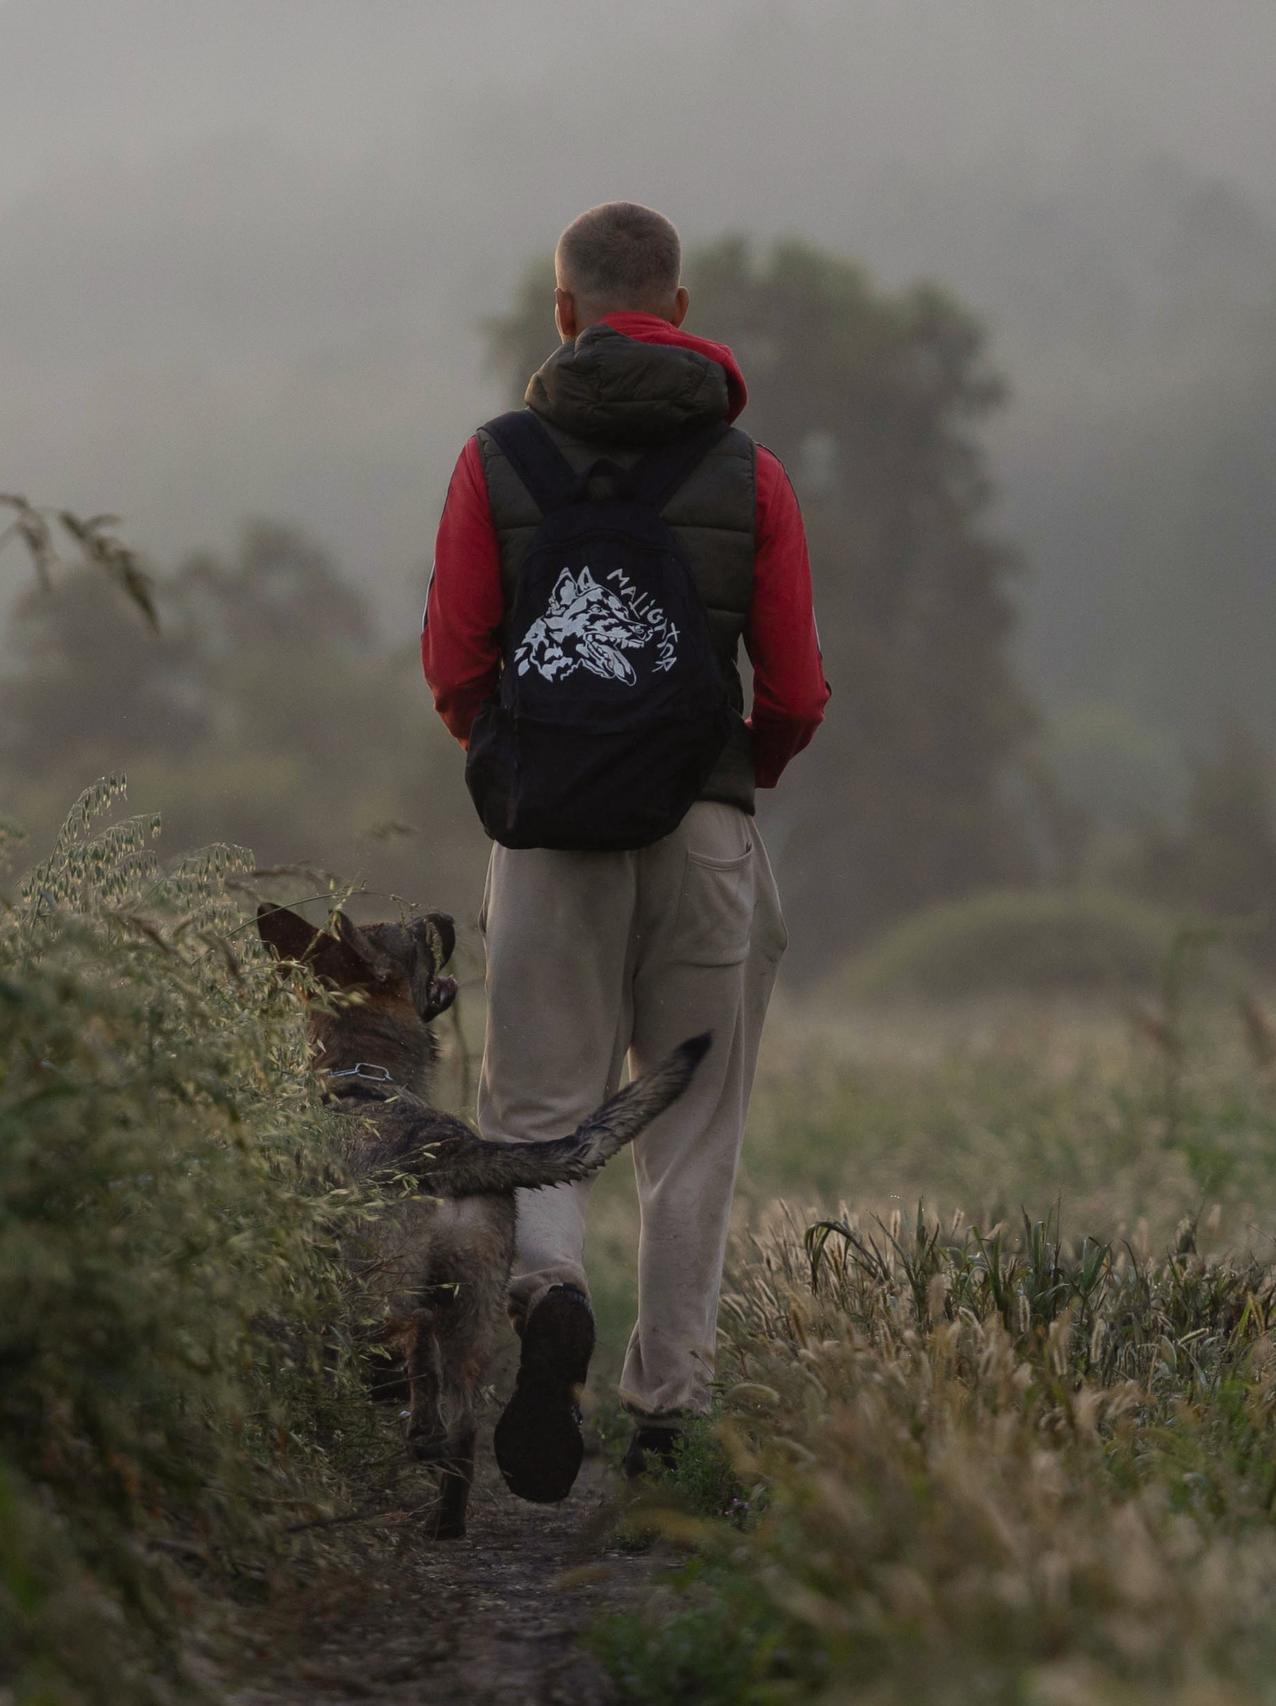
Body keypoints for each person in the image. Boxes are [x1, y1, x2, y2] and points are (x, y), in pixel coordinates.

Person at [421, 200, 829, 1500]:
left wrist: (526, 770)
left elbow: (454, 664)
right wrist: (724, 781)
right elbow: (801, 689)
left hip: (551, 838)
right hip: (702, 832)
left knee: (538, 1114)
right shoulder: (749, 474)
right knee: (692, 1127)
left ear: (563, 312)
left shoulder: (496, 463)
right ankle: (667, 1419)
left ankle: (548, 1294)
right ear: (680, 309)